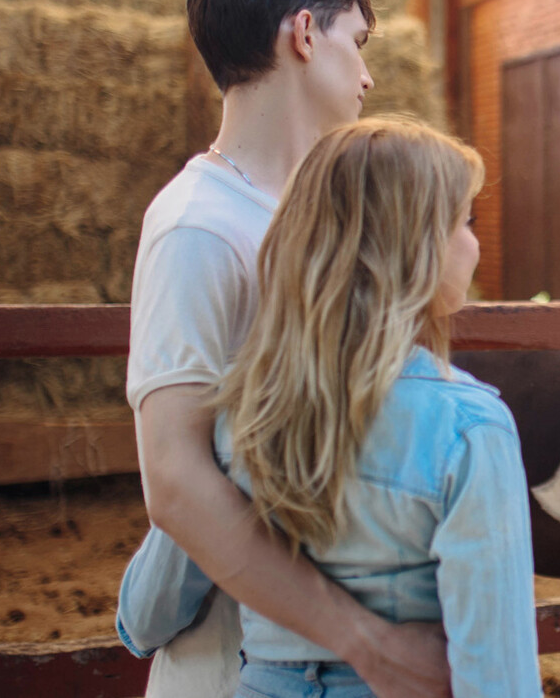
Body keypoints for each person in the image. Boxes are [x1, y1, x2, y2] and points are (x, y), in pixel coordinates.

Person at [115, 0, 450, 695]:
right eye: (355, 44)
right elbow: (174, 482)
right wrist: (366, 641)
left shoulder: (318, 217)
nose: (366, 75)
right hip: (235, 660)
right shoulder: (197, 227)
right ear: (303, 35)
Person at [210, 117, 537, 697]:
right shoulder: (470, 430)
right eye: (466, 222)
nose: (475, 243)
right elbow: (498, 680)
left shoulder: (241, 408)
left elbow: (146, 608)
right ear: (415, 245)